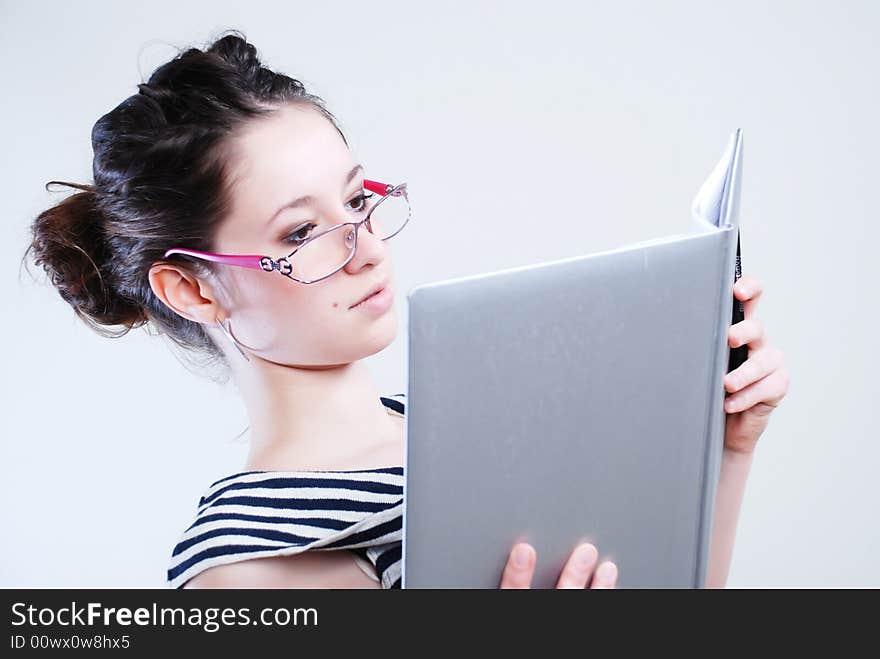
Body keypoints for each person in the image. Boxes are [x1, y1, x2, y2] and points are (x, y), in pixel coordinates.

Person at [24, 30, 789, 589]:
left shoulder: (474, 428)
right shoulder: (246, 571)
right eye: (301, 230)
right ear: (192, 289)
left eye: (357, 199)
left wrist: (722, 449)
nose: (364, 246)